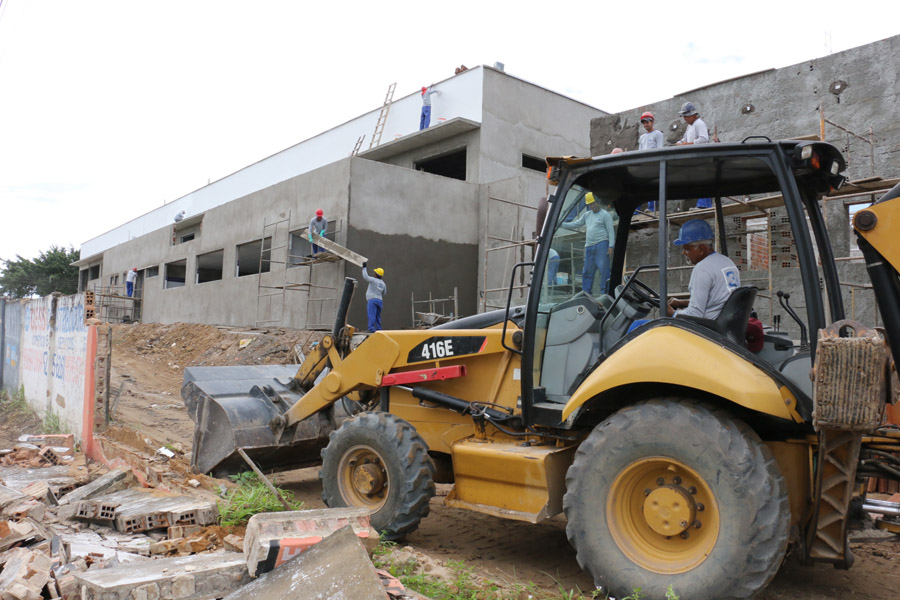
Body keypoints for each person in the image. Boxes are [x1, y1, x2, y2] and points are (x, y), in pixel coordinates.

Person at [667, 219, 740, 319]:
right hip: (725, 322)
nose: (683, 253)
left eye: (687, 249)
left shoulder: (703, 269)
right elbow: (716, 300)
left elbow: (694, 314)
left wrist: (672, 313)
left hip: (706, 327)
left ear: (701, 249)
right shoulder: (727, 262)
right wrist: (682, 303)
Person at [561, 192, 616, 295]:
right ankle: (586, 294)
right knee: (587, 272)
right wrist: (561, 224)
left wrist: (611, 245)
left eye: (593, 203)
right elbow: (575, 224)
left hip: (602, 245)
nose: (592, 206)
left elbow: (610, 231)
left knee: (604, 271)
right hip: (589, 247)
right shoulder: (587, 215)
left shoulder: (605, 215)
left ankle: (605, 294)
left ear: (597, 202)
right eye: (590, 204)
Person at [361, 262, 386, 332]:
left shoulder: (373, 280)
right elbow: (384, 293)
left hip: (372, 300)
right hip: (379, 301)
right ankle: (379, 328)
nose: (374, 273)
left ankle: (371, 329)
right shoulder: (383, 283)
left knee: (371, 314)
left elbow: (366, 277)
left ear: (376, 275)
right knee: (378, 316)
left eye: (375, 272)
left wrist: (364, 268)